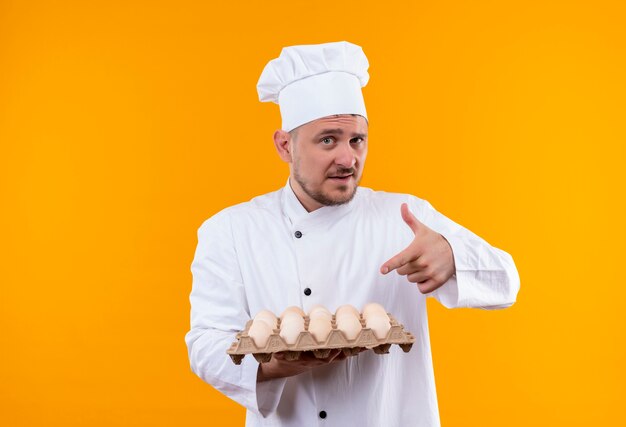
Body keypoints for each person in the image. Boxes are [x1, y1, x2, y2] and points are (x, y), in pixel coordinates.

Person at [185, 41, 520, 427]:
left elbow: (507, 283)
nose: (348, 159)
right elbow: (205, 345)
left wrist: (452, 255)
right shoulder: (230, 230)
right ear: (284, 146)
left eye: (356, 139)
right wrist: (273, 366)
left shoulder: (406, 217)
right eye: (328, 140)